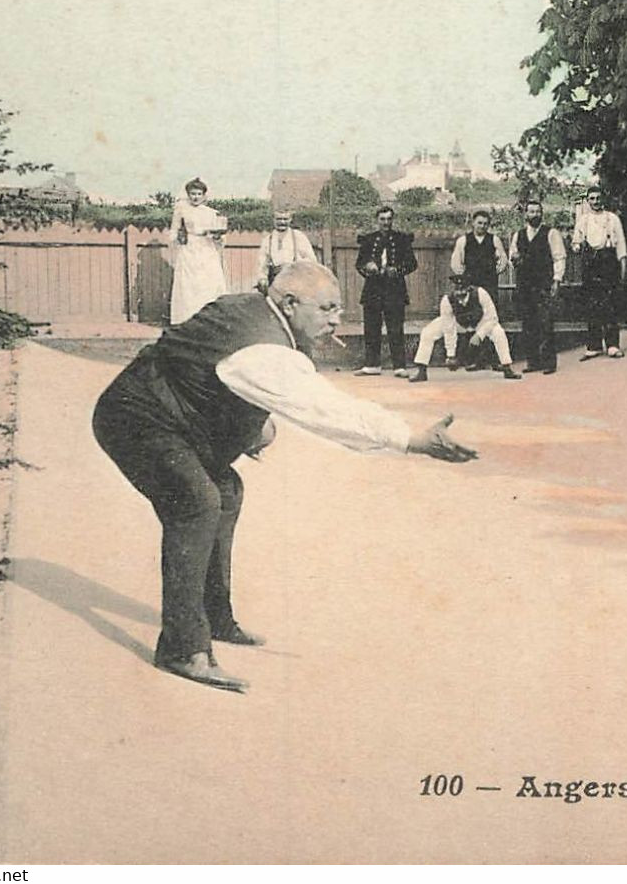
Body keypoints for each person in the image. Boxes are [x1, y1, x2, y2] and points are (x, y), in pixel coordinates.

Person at [92, 261, 477, 692]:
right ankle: (182, 649)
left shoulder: (255, 312)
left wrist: (250, 425)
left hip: (167, 414)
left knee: (226, 490)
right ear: (289, 303)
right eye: (327, 307)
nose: (337, 318)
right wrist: (410, 439)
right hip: (131, 418)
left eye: (339, 308)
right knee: (198, 501)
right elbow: (322, 408)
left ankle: (214, 618)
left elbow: (203, 365)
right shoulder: (263, 345)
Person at [404, 273, 521, 382]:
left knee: (498, 332)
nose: (459, 294)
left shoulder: (481, 294)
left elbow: (493, 318)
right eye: (457, 290)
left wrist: (479, 335)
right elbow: (448, 326)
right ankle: (421, 371)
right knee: (428, 332)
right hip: (458, 323)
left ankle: (507, 368)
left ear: (469, 289)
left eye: (463, 290)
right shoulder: (447, 301)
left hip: (480, 322)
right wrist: (451, 355)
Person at [355, 206, 418, 377]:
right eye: (382, 219)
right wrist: (368, 267)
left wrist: (397, 270)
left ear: (392, 220)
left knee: (396, 328)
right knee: (371, 328)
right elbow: (359, 264)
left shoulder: (402, 239)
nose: (386, 223)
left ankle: (399, 366)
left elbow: (412, 264)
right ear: (377, 220)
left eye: (389, 219)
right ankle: (372, 365)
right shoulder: (368, 240)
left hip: (394, 289)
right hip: (373, 289)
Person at [508, 198, 567, 374]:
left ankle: (549, 363)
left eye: (537, 211)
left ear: (542, 214)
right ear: (526, 214)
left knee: (545, 324)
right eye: (531, 211)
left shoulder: (551, 233)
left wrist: (557, 280)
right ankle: (533, 362)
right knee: (528, 324)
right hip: (525, 285)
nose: (535, 215)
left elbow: (559, 257)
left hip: (544, 284)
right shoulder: (518, 235)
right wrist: (515, 259)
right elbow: (513, 257)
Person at [570, 187, 627, 359]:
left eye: (598, 198)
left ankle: (612, 345)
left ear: (603, 199)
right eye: (592, 199)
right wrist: (576, 246)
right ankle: (594, 345)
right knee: (592, 304)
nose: (596, 202)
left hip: (609, 262)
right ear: (588, 201)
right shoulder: (584, 220)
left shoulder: (612, 219)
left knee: (610, 303)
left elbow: (621, 245)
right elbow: (576, 241)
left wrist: (623, 267)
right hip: (591, 263)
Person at [166, 178, 230, 324]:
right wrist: (178, 240)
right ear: (188, 194)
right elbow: (173, 231)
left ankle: (209, 318)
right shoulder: (181, 209)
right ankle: (186, 318)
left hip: (207, 249)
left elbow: (220, 236)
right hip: (189, 249)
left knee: (208, 282)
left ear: (204, 195)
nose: (195, 197)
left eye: (199, 194)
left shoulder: (211, 213)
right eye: (192, 194)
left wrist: (218, 237)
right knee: (189, 284)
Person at [449, 209, 509, 305]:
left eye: (485, 224)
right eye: (480, 223)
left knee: (490, 307)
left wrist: (495, 271)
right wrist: (463, 274)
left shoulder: (494, 239)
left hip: (489, 282)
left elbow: (503, 259)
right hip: (470, 281)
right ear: (473, 223)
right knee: (471, 307)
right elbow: (455, 261)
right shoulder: (463, 240)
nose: (482, 226)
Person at [256, 210, 316, 290]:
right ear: (273, 219)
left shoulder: (299, 237)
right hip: (275, 283)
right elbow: (262, 265)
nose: (282, 222)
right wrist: (262, 279)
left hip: (297, 281)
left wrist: (294, 265)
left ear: (290, 219)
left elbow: (312, 261)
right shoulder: (268, 240)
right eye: (279, 219)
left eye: (285, 219)